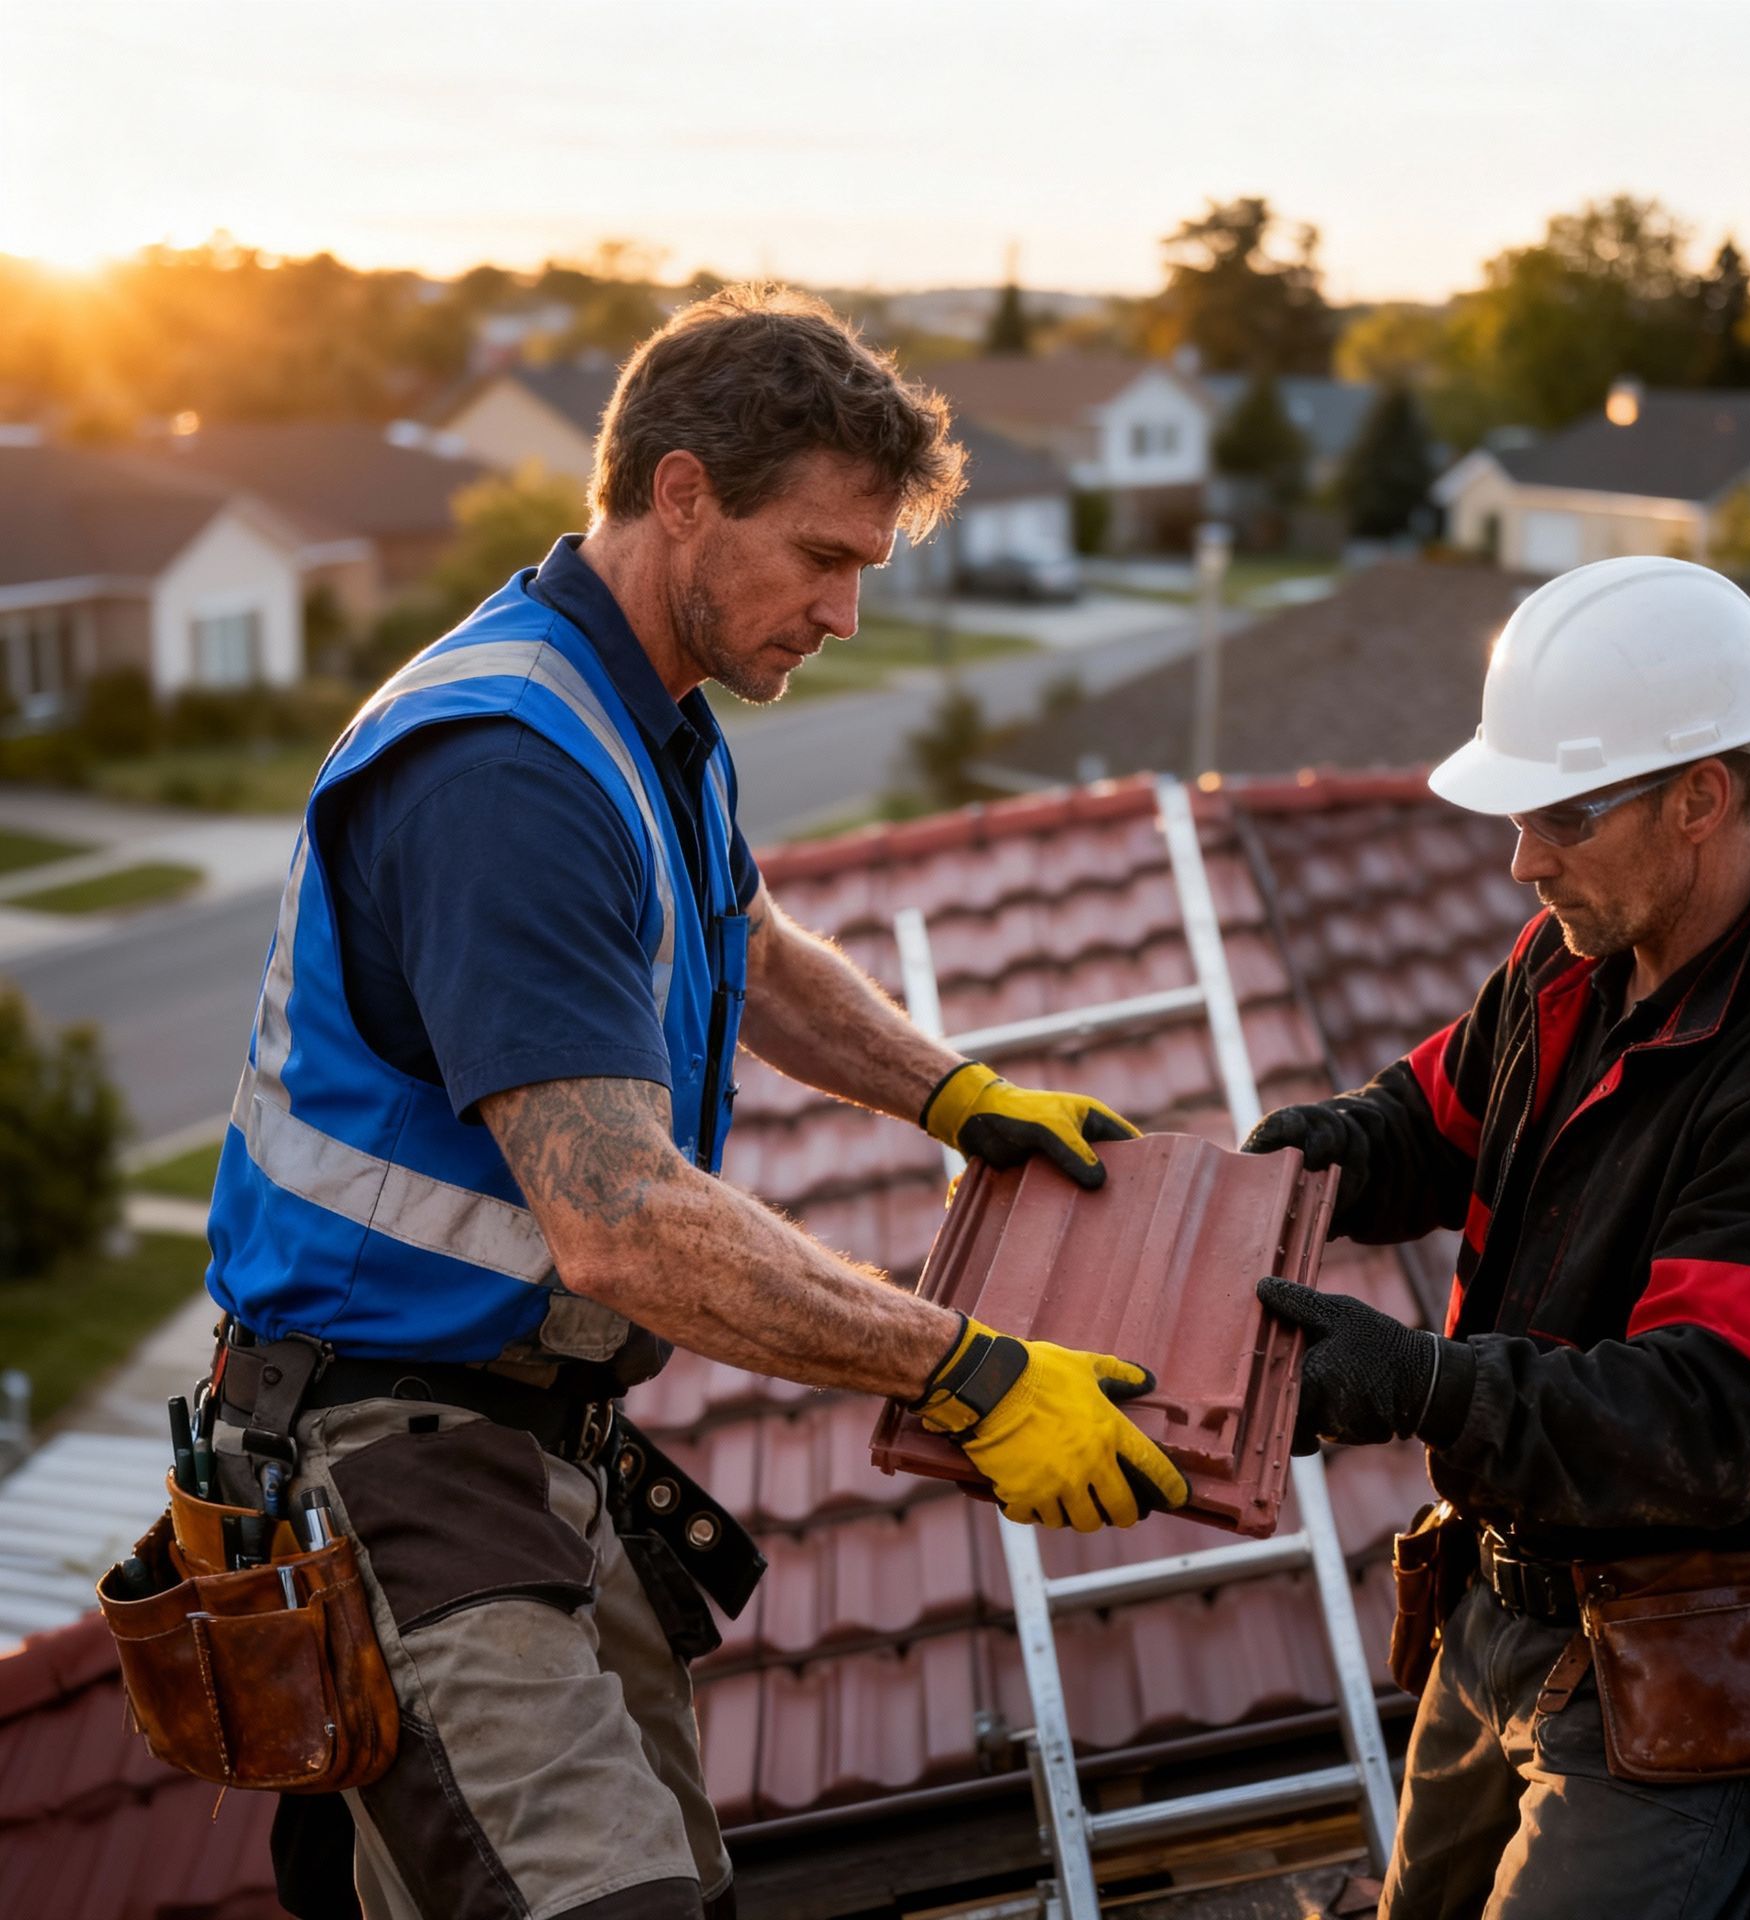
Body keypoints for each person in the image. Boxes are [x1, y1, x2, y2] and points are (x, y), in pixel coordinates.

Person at [198, 285, 1188, 1920]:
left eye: (866, 564)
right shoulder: (506, 766)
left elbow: (755, 944)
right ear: (680, 496)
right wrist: (970, 1371)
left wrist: (955, 1095)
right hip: (388, 1457)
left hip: (525, 1455)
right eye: (824, 556)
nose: (847, 611)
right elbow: (623, 1225)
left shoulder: (646, 716)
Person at [1248, 556, 1750, 1920]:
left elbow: (1708, 1418)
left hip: (1684, 1652)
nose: (1523, 858)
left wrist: (1413, 1385)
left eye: (1562, 814)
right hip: (1500, 1612)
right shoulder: (1570, 959)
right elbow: (1427, 1124)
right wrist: (1308, 1158)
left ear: (1699, 798)